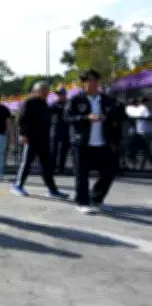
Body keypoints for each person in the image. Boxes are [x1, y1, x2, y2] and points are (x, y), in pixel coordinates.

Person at [65, 69, 123, 214]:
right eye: (90, 80)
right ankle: (82, 202)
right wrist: (85, 118)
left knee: (109, 172)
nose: (94, 83)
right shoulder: (75, 100)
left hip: (102, 143)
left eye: (96, 80)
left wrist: (108, 118)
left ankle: (96, 199)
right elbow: (67, 118)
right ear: (83, 83)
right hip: (82, 143)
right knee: (82, 174)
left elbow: (118, 116)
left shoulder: (107, 100)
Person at [11, 82, 68, 199]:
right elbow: (21, 119)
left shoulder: (44, 103)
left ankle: (52, 190)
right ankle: (17, 186)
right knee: (26, 163)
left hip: (44, 139)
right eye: (44, 91)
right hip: (31, 138)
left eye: (47, 91)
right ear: (36, 91)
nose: (46, 94)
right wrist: (23, 134)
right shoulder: (28, 102)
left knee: (46, 166)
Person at [126, 96, 152, 170]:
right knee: (146, 149)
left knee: (143, 149)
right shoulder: (144, 108)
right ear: (145, 102)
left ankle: (138, 163)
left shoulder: (135, 109)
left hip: (138, 131)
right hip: (146, 132)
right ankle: (142, 164)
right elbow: (148, 117)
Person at [49, 88, 70, 174]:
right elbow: (49, 112)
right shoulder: (54, 104)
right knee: (54, 150)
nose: (59, 96)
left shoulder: (69, 103)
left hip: (66, 129)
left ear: (64, 95)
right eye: (58, 94)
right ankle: (52, 168)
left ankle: (61, 168)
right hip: (55, 129)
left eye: (60, 94)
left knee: (64, 151)